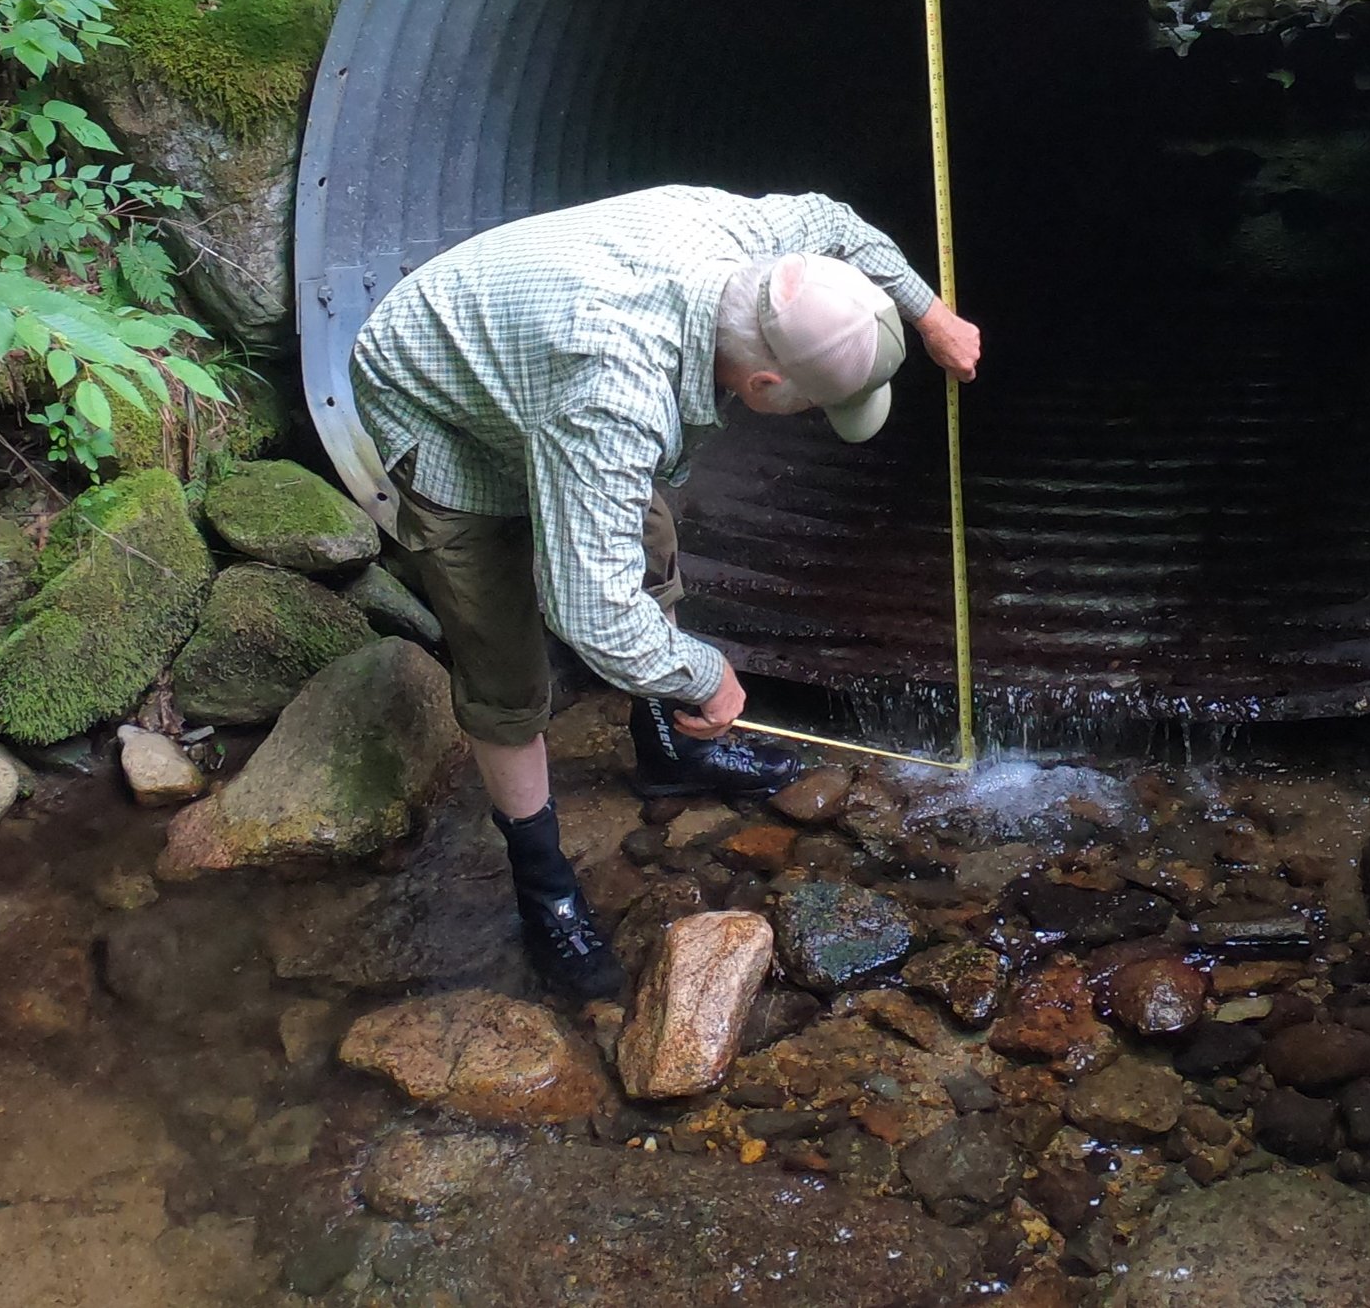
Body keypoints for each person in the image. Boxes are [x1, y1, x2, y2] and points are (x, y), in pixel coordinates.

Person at [346, 184, 983, 998]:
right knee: (501, 651)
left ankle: (669, 752)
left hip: (549, 354)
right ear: (758, 386)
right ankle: (543, 887)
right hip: (436, 392)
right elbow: (589, 612)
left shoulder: (752, 243)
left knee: (639, 534)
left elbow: (835, 220)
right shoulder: (617, 399)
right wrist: (704, 675)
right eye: (816, 407)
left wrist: (925, 312)